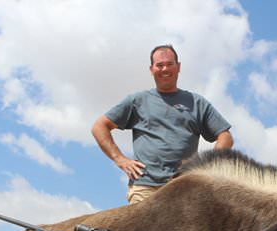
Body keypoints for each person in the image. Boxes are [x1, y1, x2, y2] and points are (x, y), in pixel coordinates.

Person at [92, 44, 234, 204]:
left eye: (169, 64)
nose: (165, 69)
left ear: (178, 67)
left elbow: (225, 136)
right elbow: (99, 126)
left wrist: (206, 164)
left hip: (185, 188)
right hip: (145, 188)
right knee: (141, 229)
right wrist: (120, 159)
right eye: (159, 65)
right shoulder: (137, 101)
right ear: (151, 69)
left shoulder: (197, 102)